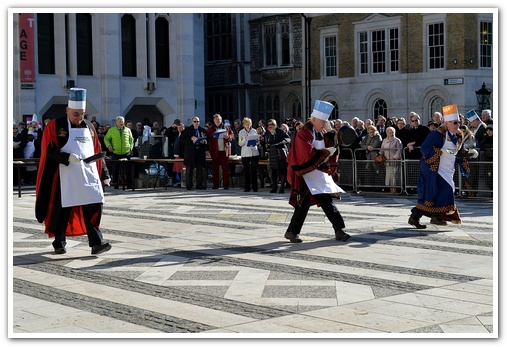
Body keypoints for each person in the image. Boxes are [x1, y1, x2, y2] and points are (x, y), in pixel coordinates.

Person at [35, 88, 112, 255]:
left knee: (93, 206)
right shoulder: (55, 126)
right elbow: (48, 150)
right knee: (62, 210)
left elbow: (97, 151)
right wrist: (66, 157)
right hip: (65, 176)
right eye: (76, 114)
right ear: (67, 110)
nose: (79, 118)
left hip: (88, 174)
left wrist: (104, 175)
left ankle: (96, 243)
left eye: (82, 114)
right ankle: (59, 241)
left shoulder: (90, 127)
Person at [285, 100, 350, 243]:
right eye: (322, 121)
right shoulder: (304, 132)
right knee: (305, 203)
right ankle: (292, 232)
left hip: (317, 173)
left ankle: (339, 230)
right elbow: (305, 153)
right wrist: (325, 152)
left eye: (326, 121)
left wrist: (332, 134)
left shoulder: (322, 132)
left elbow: (331, 149)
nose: (324, 124)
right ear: (313, 119)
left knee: (324, 201)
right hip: (304, 173)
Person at [408, 104, 469, 229]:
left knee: (440, 194)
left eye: (459, 122)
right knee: (438, 192)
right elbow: (425, 149)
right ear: (446, 123)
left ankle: (430, 217)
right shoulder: (437, 134)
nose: (458, 125)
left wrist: (468, 153)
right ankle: (420, 216)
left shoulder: (458, 136)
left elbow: (459, 151)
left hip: (448, 169)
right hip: (434, 169)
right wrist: (439, 152)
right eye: (455, 122)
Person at [104, 115, 134, 189]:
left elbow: (131, 139)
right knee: (115, 169)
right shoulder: (111, 130)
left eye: (122, 121)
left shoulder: (128, 130)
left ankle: (129, 185)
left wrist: (130, 147)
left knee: (128, 169)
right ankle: (115, 185)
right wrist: (109, 146)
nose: (121, 123)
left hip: (126, 152)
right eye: (120, 121)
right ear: (116, 122)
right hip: (116, 152)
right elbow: (106, 139)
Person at [207, 113, 234, 189]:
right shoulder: (210, 129)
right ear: (214, 120)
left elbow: (232, 137)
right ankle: (215, 185)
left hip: (224, 150)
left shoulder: (227, 127)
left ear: (221, 120)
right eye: (216, 119)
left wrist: (228, 137)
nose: (217, 121)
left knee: (225, 168)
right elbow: (208, 139)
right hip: (215, 150)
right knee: (215, 169)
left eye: (219, 119)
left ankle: (226, 185)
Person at [181, 116, 207, 190]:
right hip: (190, 152)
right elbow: (182, 140)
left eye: (198, 121)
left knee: (200, 169)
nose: (196, 123)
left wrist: (204, 141)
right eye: (195, 121)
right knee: (189, 169)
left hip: (199, 152)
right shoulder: (187, 130)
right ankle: (189, 185)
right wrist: (190, 139)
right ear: (192, 122)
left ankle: (199, 185)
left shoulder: (202, 130)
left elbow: (207, 140)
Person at [265, 119, 290, 194]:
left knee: (282, 171)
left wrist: (284, 141)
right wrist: (272, 135)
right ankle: (274, 187)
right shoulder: (269, 133)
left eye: (272, 124)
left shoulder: (280, 131)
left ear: (275, 124)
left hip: (280, 153)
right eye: (269, 125)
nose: (270, 126)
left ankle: (282, 187)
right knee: (274, 171)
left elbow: (288, 138)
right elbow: (269, 142)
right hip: (273, 154)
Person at [238, 117, 260, 192]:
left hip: (254, 152)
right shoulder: (241, 132)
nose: (248, 125)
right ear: (244, 125)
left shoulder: (254, 131)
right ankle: (247, 187)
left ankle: (255, 187)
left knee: (254, 170)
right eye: (246, 124)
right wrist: (245, 139)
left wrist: (257, 140)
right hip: (245, 153)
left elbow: (257, 142)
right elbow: (240, 143)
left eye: (249, 124)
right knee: (246, 171)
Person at [379, 126, 403, 193]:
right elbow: (382, 149)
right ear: (387, 133)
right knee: (389, 176)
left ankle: (395, 190)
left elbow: (399, 149)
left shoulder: (397, 140)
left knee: (394, 176)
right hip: (387, 161)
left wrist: (396, 157)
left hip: (394, 161)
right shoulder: (384, 140)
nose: (391, 134)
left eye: (392, 132)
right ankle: (390, 189)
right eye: (389, 132)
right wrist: (380, 155)